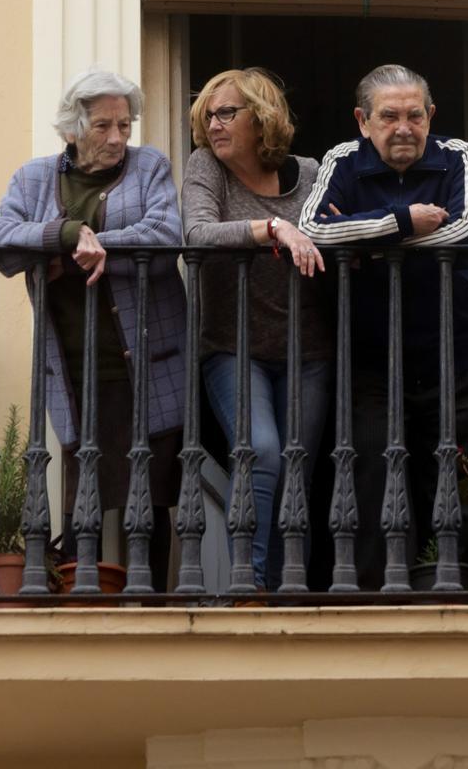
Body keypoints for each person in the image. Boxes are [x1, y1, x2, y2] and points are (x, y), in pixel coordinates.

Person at [0, 67, 185, 591]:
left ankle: (153, 604)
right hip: (72, 367)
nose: (118, 137)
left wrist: (79, 254)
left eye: (124, 124)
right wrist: (69, 231)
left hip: (147, 360)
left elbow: (163, 236)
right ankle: (83, 600)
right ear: (73, 128)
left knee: (152, 494)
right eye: (103, 126)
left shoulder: (150, 166)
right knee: (83, 495)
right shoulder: (33, 178)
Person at [299, 63, 468, 588]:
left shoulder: (459, 155)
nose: (402, 127)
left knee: (459, 476)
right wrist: (404, 223)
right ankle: (370, 593)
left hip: (458, 352)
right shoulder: (340, 159)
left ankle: (457, 589)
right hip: (370, 356)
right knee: (369, 473)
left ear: (430, 116)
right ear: (363, 121)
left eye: (413, 115)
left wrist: (364, 241)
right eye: (388, 116)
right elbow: (313, 230)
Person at [182, 67, 333, 590]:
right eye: (208, 115)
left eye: (227, 113)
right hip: (232, 347)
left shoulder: (311, 173)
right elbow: (197, 232)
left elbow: (337, 231)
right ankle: (251, 586)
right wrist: (272, 227)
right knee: (261, 451)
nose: (214, 125)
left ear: (262, 117)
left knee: (297, 469)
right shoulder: (207, 169)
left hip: (307, 348)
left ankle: (292, 591)